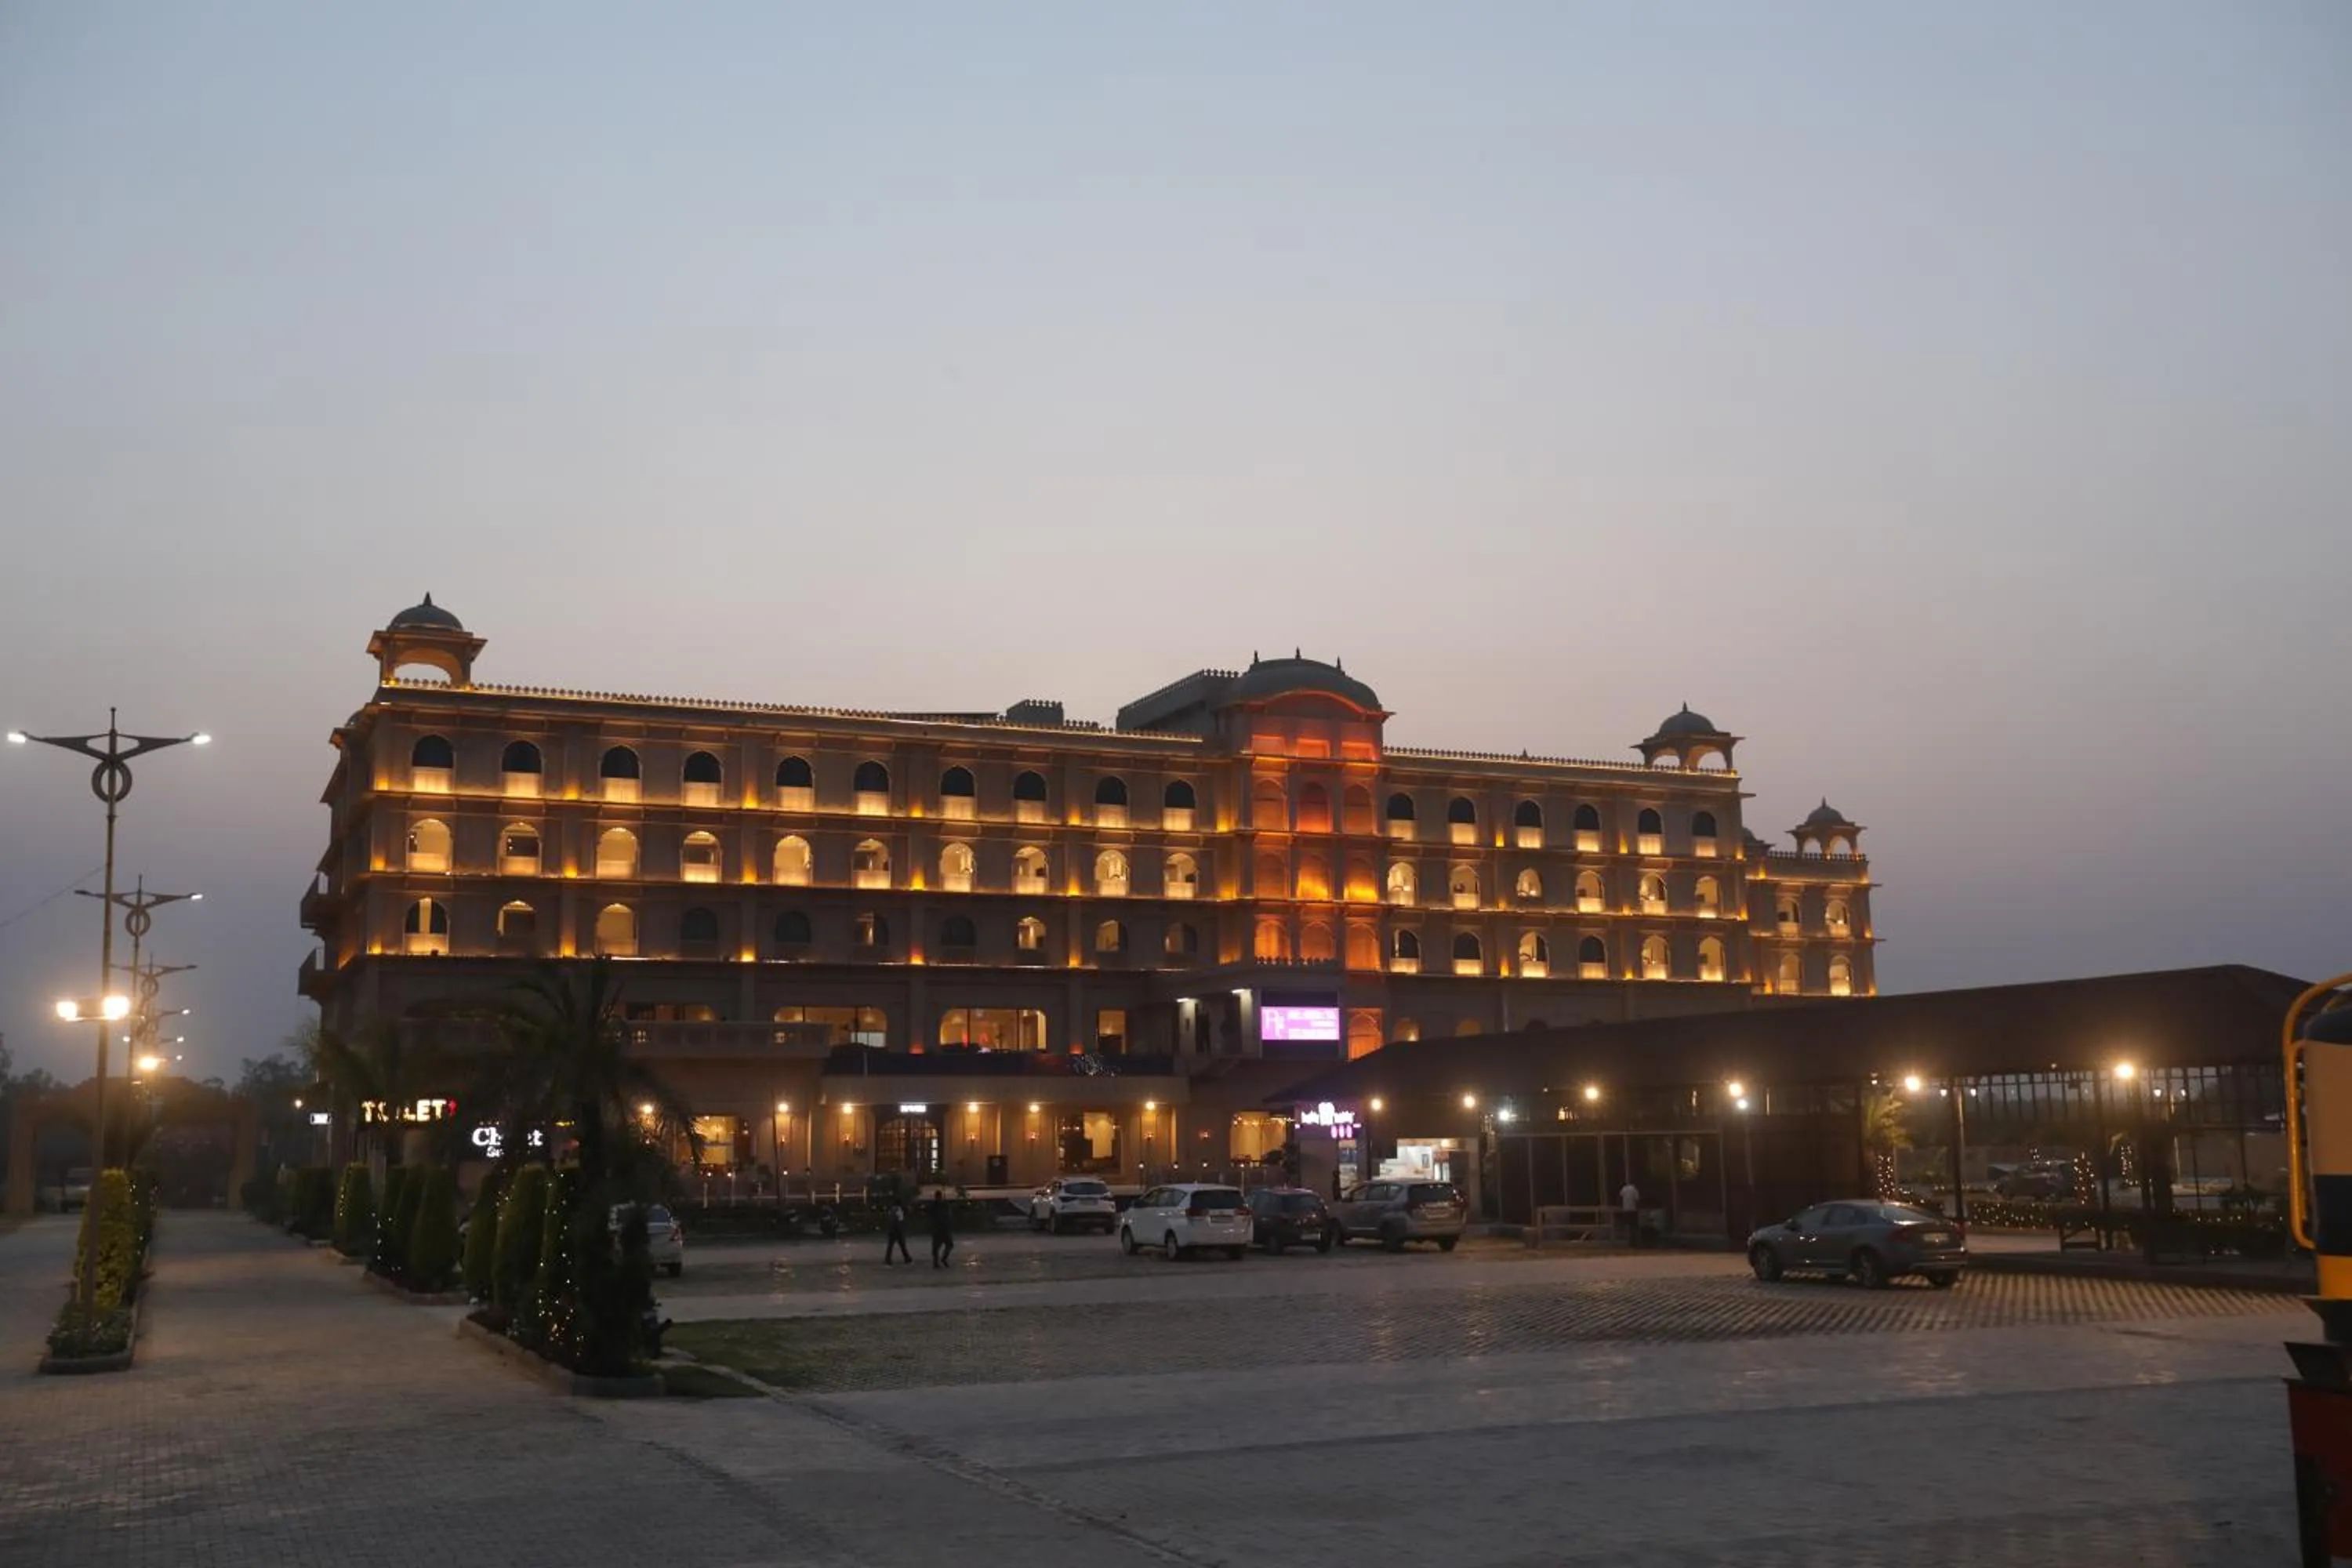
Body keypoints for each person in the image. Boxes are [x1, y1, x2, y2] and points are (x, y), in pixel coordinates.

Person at [929, 1187, 957, 1269]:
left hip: (939, 1228)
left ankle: (938, 1262)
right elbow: (949, 1216)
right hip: (942, 1228)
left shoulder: (936, 1205)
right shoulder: (944, 1205)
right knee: (944, 1246)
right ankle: (940, 1260)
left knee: (938, 1247)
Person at [883, 1197, 911, 1265]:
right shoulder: (899, 1210)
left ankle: (888, 1259)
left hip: (891, 1229)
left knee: (890, 1246)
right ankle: (907, 1258)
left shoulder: (891, 1210)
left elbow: (890, 1219)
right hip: (897, 1230)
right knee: (902, 1245)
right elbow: (900, 1220)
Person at [1618, 1178, 1642, 1247]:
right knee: (1634, 1227)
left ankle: (1628, 1242)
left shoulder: (1624, 1189)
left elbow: (1620, 1197)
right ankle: (1635, 1242)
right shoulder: (1634, 1190)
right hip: (1633, 1210)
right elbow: (1637, 1200)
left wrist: (1622, 1206)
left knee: (1627, 1226)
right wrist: (1638, 1209)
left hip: (1626, 1210)